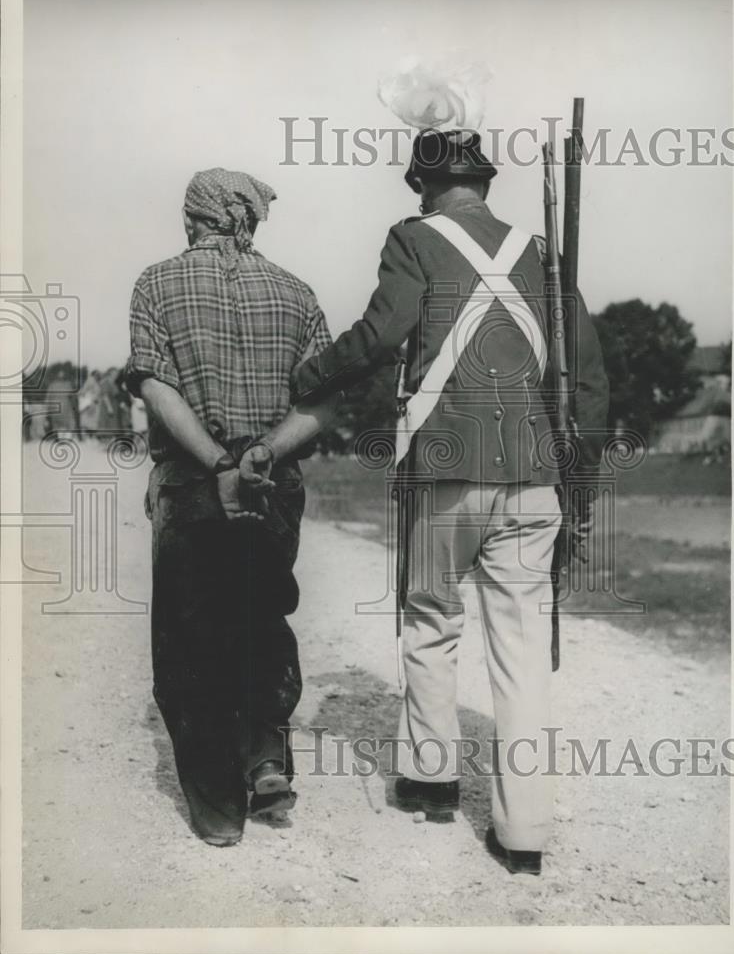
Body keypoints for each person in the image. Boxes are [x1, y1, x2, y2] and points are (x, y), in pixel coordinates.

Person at [244, 129, 609, 875]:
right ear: (486, 182)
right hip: (537, 478)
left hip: (444, 468)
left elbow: (382, 335)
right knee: (520, 654)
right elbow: (592, 385)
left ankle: (433, 782)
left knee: (431, 619)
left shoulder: (412, 238)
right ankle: (525, 835)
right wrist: (583, 491)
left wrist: (307, 376)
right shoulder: (545, 254)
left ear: (421, 185)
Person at [125, 168, 336, 847]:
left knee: (191, 642)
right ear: (249, 220)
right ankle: (265, 753)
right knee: (261, 614)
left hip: (193, 482)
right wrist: (263, 456)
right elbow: (322, 404)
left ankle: (220, 812)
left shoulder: (154, 284)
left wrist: (218, 465)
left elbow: (157, 388)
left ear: (192, 218)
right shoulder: (298, 294)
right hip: (273, 483)